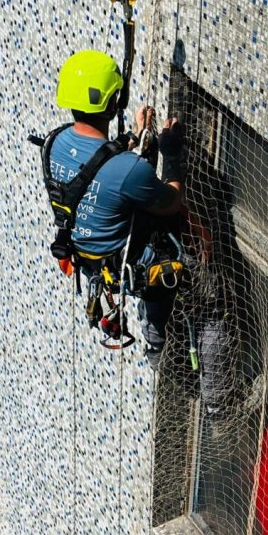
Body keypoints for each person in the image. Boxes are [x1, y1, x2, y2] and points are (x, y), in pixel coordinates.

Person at [47, 49, 185, 361]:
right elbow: (172, 202)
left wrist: (135, 137)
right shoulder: (128, 170)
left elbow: (98, 158)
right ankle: (156, 337)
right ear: (113, 103)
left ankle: (154, 339)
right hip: (129, 264)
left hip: (88, 258)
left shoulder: (54, 143)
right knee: (170, 262)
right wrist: (172, 154)